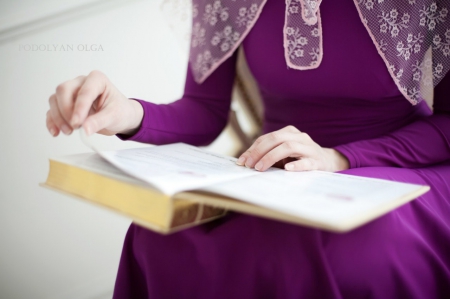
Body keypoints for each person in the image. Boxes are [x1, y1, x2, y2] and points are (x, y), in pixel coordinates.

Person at [46, 0, 450, 298]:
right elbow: (204, 110)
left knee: (350, 251)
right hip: (272, 172)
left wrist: (339, 158)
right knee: (159, 237)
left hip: (402, 161)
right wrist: (127, 113)